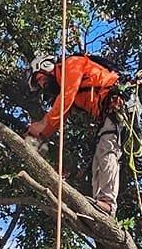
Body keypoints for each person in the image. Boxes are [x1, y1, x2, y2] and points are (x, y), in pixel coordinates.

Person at [25, 53, 123, 215]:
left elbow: (65, 99)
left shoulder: (72, 64)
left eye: (41, 79)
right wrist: (36, 135)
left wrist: (42, 124)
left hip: (116, 104)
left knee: (107, 150)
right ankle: (100, 206)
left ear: (47, 66)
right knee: (99, 160)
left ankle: (108, 203)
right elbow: (57, 118)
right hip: (107, 112)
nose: (43, 86)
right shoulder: (67, 89)